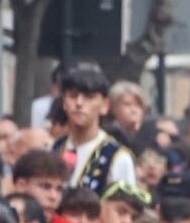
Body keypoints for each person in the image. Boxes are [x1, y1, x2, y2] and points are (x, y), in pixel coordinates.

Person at [56, 66, 135, 194]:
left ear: (105, 106)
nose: (79, 103)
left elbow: (125, 208)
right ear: (64, 103)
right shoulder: (54, 149)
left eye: (89, 97)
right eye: (73, 96)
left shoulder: (117, 157)